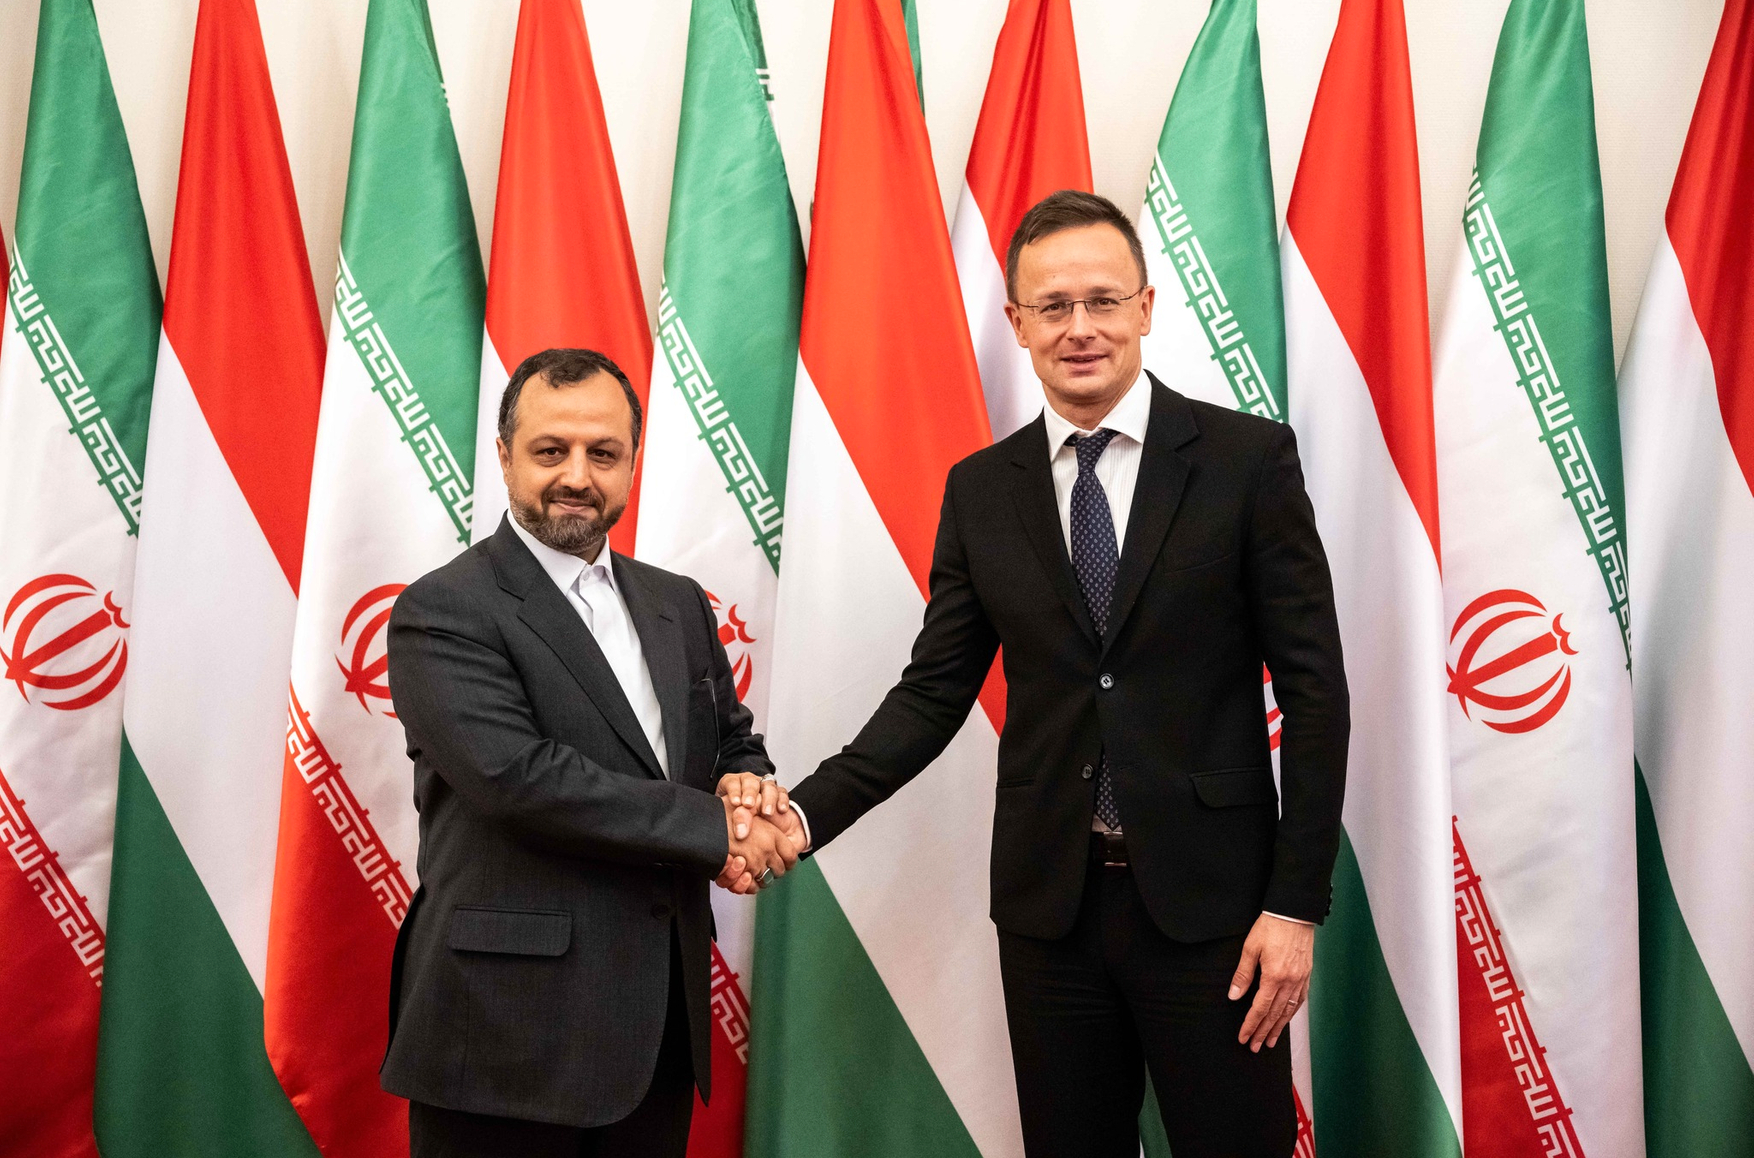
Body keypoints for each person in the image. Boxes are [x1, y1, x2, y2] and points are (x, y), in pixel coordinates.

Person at [784, 190, 1349, 1158]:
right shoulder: (980, 490)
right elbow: (932, 693)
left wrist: (1294, 904)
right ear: (1017, 323)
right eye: (1051, 306)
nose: (1078, 327)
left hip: (1215, 912)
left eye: (1101, 300)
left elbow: (1315, 694)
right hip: (1052, 912)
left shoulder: (1245, 461)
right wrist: (800, 817)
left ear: (1145, 307)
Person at [380, 347, 802, 1158]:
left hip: (656, 1031)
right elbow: (521, 780)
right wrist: (718, 833)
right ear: (504, 456)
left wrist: (745, 785)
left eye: (602, 453)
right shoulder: (443, 610)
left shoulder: (677, 602)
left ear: (632, 462)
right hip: (505, 1035)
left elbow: (729, 738)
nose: (577, 476)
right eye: (551, 450)